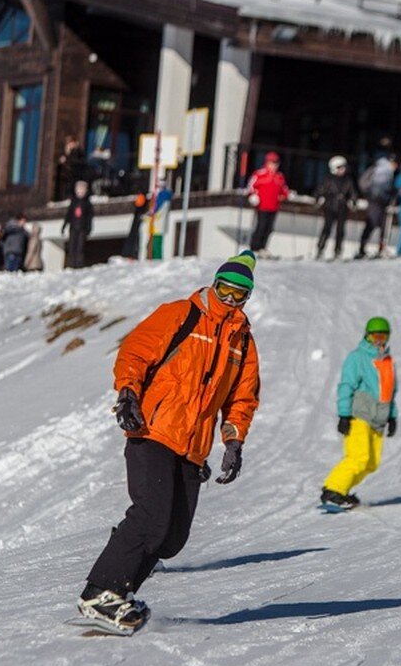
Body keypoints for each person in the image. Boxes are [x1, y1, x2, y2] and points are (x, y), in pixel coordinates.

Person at [76, 251, 262, 634]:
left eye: (238, 295)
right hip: (154, 430)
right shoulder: (182, 314)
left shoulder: (242, 342)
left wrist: (233, 440)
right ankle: (100, 591)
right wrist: (128, 392)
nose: (229, 300)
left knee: (172, 537)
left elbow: (242, 398)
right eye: (225, 289)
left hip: (192, 447)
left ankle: (120, 590)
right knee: (151, 516)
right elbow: (136, 351)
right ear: (214, 284)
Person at [320, 317, 398, 511]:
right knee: (358, 457)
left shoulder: (387, 361)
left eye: (383, 336)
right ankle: (333, 490)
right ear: (367, 335)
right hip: (359, 416)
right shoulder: (357, 358)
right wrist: (344, 415)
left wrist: (392, 416)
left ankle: (341, 490)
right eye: (375, 336)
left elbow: (391, 391)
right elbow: (346, 386)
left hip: (378, 420)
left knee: (371, 463)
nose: (379, 340)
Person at [246, 151, 290, 255]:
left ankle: (262, 248)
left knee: (269, 228)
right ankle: (254, 248)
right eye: (272, 163)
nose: (274, 165)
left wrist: (284, 196)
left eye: (276, 163)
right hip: (262, 206)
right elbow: (250, 186)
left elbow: (284, 190)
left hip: (274, 206)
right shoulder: (260, 174)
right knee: (261, 226)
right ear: (267, 162)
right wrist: (253, 196)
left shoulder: (279, 176)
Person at [355, 154, 398, 259]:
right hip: (378, 200)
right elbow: (382, 187)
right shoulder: (385, 170)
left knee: (380, 224)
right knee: (373, 223)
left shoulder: (378, 167)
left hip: (376, 199)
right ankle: (363, 248)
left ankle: (373, 248)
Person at [316, 155, 357, 260]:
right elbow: (320, 190)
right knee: (327, 228)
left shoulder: (348, 180)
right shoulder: (328, 179)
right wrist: (319, 198)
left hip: (342, 208)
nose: (342, 170)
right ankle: (320, 249)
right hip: (329, 207)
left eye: (343, 167)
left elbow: (352, 192)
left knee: (340, 231)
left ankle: (337, 251)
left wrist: (353, 201)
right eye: (339, 167)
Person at [62, 181, 94, 269]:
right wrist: (64, 225)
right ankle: (71, 264)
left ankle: (79, 264)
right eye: (78, 190)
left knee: (80, 247)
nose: (80, 192)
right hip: (73, 227)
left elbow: (89, 217)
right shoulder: (73, 202)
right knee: (72, 246)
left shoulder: (87, 203)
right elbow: (69, 214)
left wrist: (89, 228)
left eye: (82, 190)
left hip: (82, 227)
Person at [57, 135, 88, 201]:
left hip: (77, 173)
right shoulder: (67, 152)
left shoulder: (78, 151)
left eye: (71, 143)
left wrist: (68, 158)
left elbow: (80, 161)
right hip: (68, 174)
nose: (70, 145)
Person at [122, 193, 149, 260]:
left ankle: (133, 254)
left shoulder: (139, 212)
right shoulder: (138, 212)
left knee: (135, 237)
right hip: (138, 220)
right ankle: (132, 254)